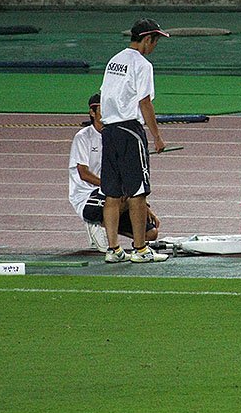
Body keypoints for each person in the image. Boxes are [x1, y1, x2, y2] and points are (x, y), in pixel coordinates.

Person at [98, 18, 170, 263]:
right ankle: (140, 249)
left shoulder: (114, 60)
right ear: (147, 39)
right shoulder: (142, 64)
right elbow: (144, 102)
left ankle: (113, 250)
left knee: (112, 193)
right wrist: (157, 137)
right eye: (155, 41)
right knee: (138, 192)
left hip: (109, 131)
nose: (155, 46)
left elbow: (105, 94)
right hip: (130, 130)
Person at [68, 93, 161, 252]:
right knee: (118, 198)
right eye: (102, 108)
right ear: (92, 112)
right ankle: (95, 223)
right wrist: (111, 186)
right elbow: (83, 173)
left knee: (151, 233)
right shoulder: (83, 137)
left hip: (114, 193)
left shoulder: (113, 135)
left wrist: (143, 205)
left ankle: (107, 226)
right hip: (87, 195)